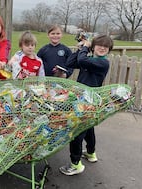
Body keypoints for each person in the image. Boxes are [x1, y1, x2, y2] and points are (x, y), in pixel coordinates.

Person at [59, 34, 114, 176]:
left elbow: (82, 61)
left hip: (88, 102)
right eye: (99, 45)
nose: (102, 48)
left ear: (109, 50)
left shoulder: (103, 63)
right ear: (94, 47)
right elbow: (70, 63)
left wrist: (85, 47)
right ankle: (91, 153)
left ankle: (75, 164)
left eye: (106, 46)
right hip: (83, 100)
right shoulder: (90, 60)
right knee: (88, 128)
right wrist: (79, 50)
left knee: (77, 132)